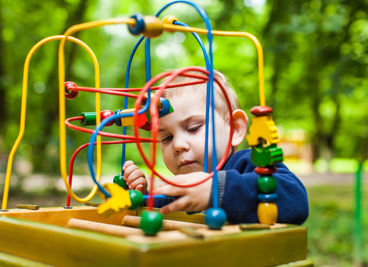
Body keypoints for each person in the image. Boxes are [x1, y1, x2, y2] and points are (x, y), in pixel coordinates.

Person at [122, 67, 309, 225]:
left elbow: (296, 200)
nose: (178, 145)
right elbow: (160, 214)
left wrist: (216, 190)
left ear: (235, 129)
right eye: (167, 138)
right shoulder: (180, 188)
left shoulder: (250, 164)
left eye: (193, 128)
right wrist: (142, 196)